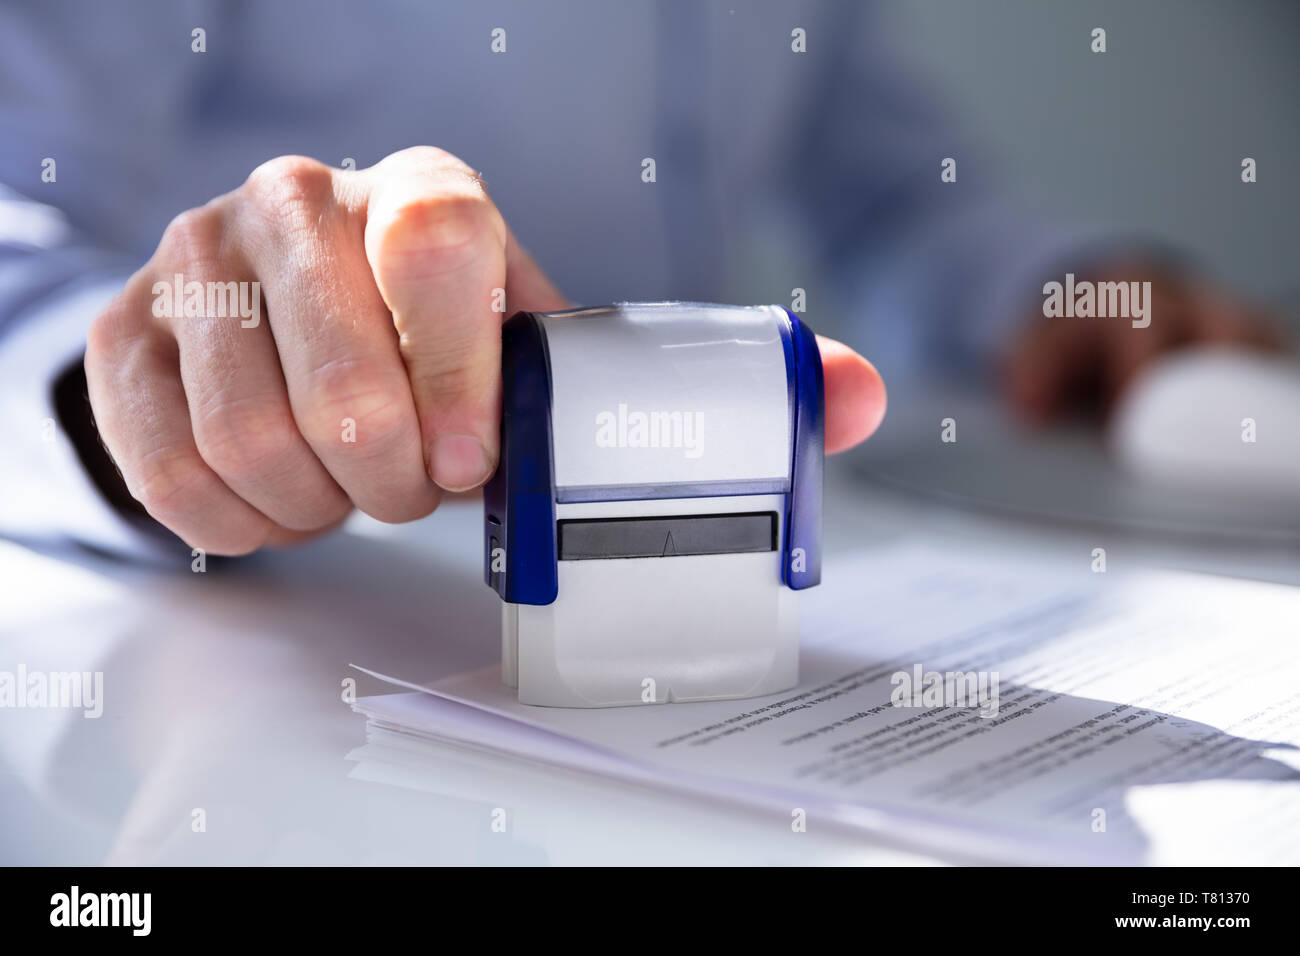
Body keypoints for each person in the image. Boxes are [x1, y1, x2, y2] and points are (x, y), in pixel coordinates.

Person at [0, 1, 1278, 560]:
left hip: (700, 575)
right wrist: (142, 394)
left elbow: (895, 190)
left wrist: (1061, 285)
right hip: (304, 599)